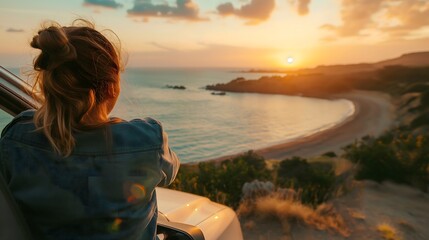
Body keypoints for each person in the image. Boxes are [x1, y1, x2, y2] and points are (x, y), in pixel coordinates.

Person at [0, 20, 180, 240]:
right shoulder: (146, 140)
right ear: (112, 86)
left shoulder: (16, 139)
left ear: (48, 83)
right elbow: (170, 173)